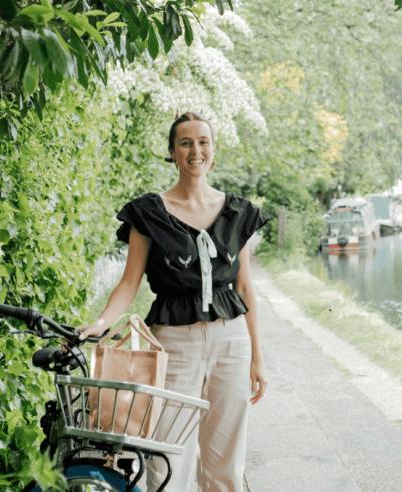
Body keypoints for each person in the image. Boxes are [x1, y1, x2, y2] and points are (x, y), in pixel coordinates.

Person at [79, 112, 269, 491]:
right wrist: (101, 322)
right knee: (167, 456)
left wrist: (258, 359)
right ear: (172, 152)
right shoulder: (148, 213)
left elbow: (245, 289)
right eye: (185, 143)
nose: (195, 150)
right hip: (173, 343)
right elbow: (129, 283)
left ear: (213, 151)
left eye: (203, 142)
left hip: (231, 341)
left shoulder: (237, 213)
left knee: (226, 460)